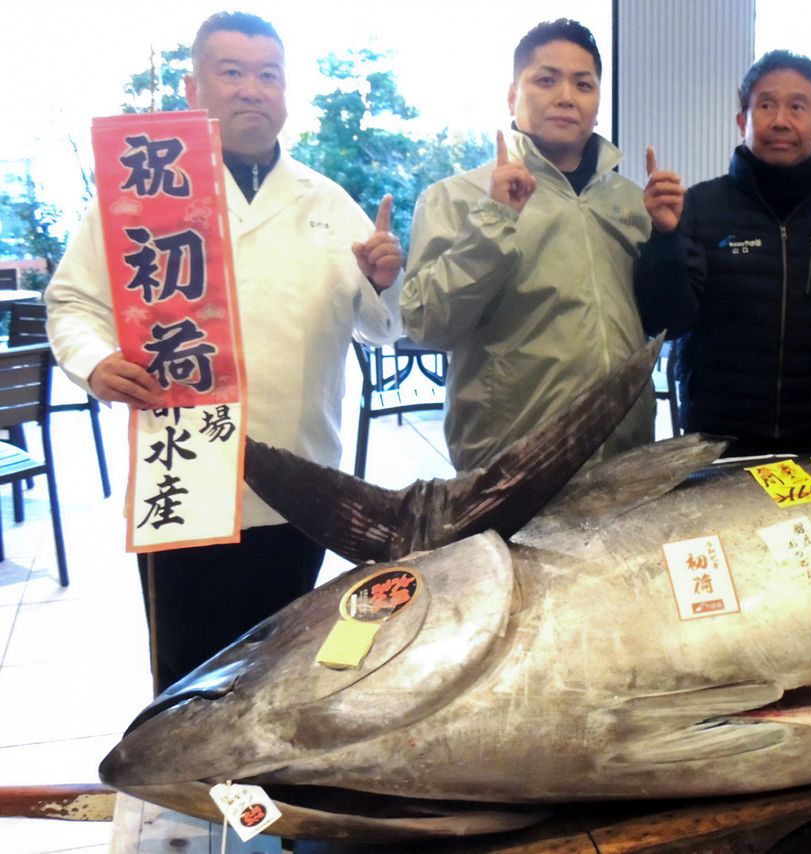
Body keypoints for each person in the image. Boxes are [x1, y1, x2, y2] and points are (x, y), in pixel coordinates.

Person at [45, 11, 403, 691]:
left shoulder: (327, 202)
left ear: (285, 92)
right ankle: (187, 761)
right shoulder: (141, 197)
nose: (251, 89)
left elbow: (380, 329)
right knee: (190, 676)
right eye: (231, 72)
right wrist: (94, 362)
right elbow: (72, 303)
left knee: (285, 670)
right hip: (186, 475)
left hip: (301, 480)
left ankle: (274, 760)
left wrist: (384, 281)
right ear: (194, 89)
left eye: (268, 75)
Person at [400, 18, 659, 472]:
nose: (566, 96)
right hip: (512, 467)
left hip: (625, 453)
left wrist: (672, 237)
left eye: (583, 84)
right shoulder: (456, 197)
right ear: (511, 95)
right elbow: (427, 324)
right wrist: (494, 220)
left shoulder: (630, 201)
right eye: (546, 79)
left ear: (597, 103)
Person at [635, 50, 811, 458]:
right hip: (714, 443)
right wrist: (664, 238)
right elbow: (668, 320)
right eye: (767, 105)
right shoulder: (700, 207)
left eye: (797, 107)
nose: (781, 121)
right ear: (743, 122)